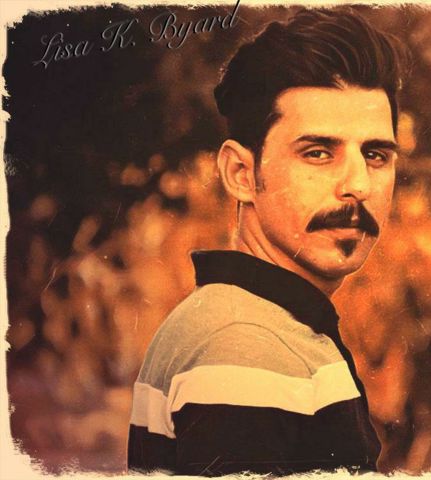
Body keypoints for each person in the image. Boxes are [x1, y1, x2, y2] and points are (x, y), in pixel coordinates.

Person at [128, 7, 405, 476]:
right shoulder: (245, 346)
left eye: (375, 154)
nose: (359, 184)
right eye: (318, 153)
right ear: (241, 173)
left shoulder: (252, 322)